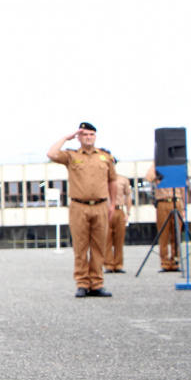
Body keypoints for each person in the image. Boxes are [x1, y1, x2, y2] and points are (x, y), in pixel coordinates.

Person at [47, 123, 117, 297]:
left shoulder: (105, 157)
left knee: (99, 246)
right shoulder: (71, 155)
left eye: (91, 134)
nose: (88, 137)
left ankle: (97, 283)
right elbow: (51, 154)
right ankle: (82, 283)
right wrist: (66, 137)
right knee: (80, 247)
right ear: (78, 137)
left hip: (100, 205)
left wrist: (113, 204)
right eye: (84, 134)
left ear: (95, 136)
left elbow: (112, 181)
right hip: (79, 206)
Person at [145, 162, 186, 272]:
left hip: (176, 202)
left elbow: (183, 189)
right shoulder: (157, 168)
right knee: (163, 234)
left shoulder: (177, 168)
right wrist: (157, 161)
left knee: (176, 234)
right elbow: (149, 178)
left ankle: (175, 261)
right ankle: (165, 263)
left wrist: (184, 208)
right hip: (162, 202)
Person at [100, 149, 131, 273]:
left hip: (118, 210)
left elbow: (128, 196)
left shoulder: (122, 179)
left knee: (119, 239)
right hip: (104, 211)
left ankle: (118, 264)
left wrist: (128, 213)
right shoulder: (100, 179)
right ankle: (108, 264)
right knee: (107, 239)